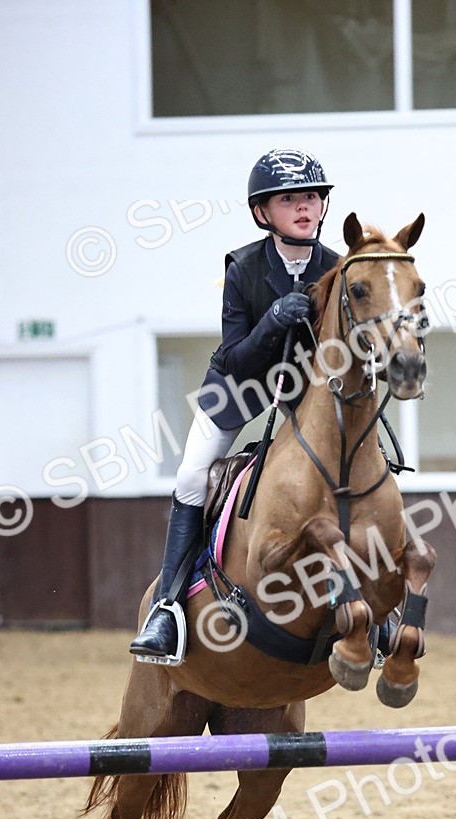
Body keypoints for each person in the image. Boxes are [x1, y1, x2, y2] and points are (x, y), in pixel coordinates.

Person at [131, 149, 339, 664]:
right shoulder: (243, 267)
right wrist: (272, 320)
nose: (305, 208)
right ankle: (168, 609)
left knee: (352, 470)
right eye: (290, 200)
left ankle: (378, 613)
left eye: (312, 197)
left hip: (301, 394)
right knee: (191, 476)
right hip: (238, 386)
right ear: (262, 213)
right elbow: (238, 357)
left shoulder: (336, 267)